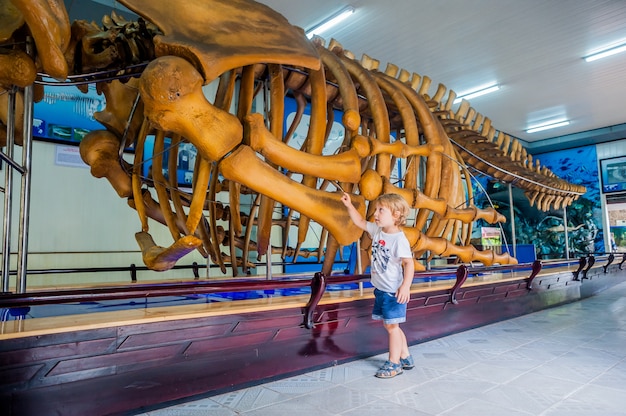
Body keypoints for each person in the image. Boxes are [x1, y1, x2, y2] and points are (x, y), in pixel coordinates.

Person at [341, 192, 415, 378]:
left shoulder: (399, 239)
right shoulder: (378, 231)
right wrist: (349, 205)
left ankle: (394, 363)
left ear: (396, 215)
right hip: (381, 290)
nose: (376, 213)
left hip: (393, 292)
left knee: (392, 327)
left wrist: (405, 286)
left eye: (381, 210)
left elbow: (409, 263)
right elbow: (359, 221)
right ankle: (405, 355)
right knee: (392, 325)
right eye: (376, 209)